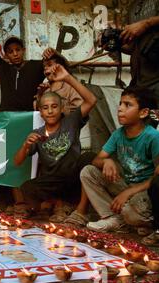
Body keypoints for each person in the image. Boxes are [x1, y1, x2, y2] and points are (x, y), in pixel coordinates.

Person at [0, 1, 57, 214]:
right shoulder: (4, 68)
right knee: (12, 161)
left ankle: (38, 201)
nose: (14, 54)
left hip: (31, 121)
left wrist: (52, 55)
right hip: (8, 121)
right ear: (5, 55)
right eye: (10, 51)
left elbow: (57, 68)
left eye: (17, 50)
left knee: (35, 161)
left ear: (23, 50)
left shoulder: (36, 66)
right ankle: (20, 203)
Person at [13, 64, 97, 222]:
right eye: (45, 108)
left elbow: (91, 100)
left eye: (54, 106)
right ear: (40, 112)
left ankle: (76, 209)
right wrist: (25, 145)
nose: (50, 111)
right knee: (27, 188)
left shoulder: (71, 121)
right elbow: (17, 162)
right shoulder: (37, 133)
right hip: (53, 181)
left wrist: (67, 78)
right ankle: (57, 205)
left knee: (87, 158)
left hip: (72, 176)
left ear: (62, 108)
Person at [81, 87, 159, 234]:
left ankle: (145, 223)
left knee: (132, 214)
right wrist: (106, 161)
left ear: (143, 113)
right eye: (120, 104)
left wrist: (130, 192)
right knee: (88, 172)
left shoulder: (152, 136)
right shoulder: (118, 134)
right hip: (126, 185)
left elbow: (157, 177)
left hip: (144, 192)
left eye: (127, 105)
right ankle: (113, 218)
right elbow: (97, 160)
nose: (120, 109)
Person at [120, 0, 159, 102]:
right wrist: (116, 45)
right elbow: (134, 47)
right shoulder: (133, 6)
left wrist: (146, 24)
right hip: (140, 83)